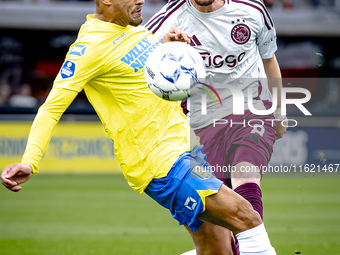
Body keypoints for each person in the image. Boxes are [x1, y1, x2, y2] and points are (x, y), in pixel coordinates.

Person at [1, 0, 277, 254]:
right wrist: (30, 161)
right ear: (107, 1)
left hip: (186, 151)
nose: (141, 0)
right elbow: (51, 108)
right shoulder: (89, 48)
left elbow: (139, 71)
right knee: (247, 218)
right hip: (160, 163)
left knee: (218, 252)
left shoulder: (136, 31)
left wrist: (166, 46)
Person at [146, 0, 287, 254]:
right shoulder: (167, 20)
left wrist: (279, 110)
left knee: (245, 173)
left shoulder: (252, 10)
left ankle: (255, 249)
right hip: (202, 125)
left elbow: (269, 60)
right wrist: (163, 48)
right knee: (220, 228)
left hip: (252, 108)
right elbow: (136, 60)